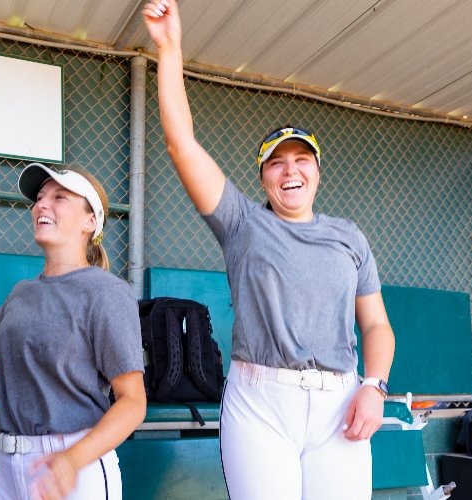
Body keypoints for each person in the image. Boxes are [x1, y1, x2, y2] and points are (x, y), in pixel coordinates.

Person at [143, 1, 399, 498]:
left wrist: (375, 386)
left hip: (339, 400)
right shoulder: (242, 222)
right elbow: (181, 144)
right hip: (260, 402)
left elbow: (375, 325)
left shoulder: (349, 236)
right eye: (276, 163)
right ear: (263, 176)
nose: (290, 171)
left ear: (318, 171)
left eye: (302, 160)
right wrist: (170, 49)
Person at [0, 164, 145, 500]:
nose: (41, 205)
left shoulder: (107, 292)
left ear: (90, 222)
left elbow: (133, 402)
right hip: (8, 465)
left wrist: (71, 461)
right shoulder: (22, 292)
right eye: (39, 199)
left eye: (60, 197)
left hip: (73, 467)